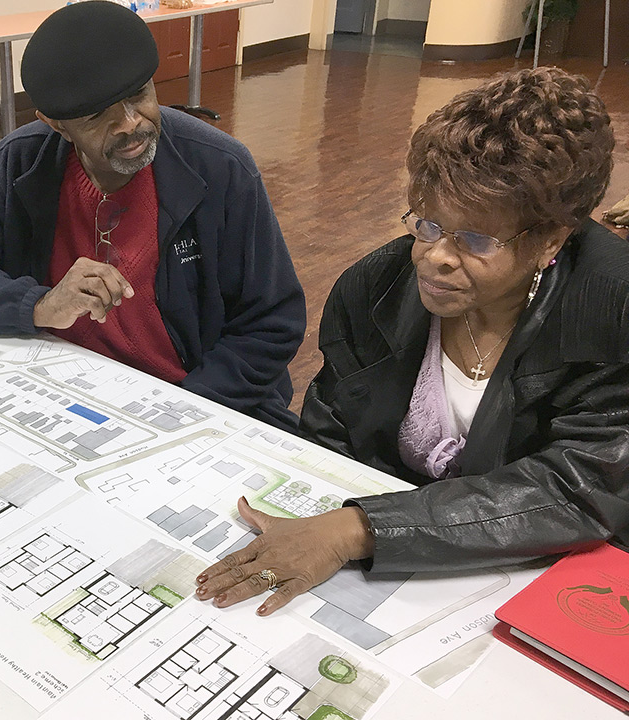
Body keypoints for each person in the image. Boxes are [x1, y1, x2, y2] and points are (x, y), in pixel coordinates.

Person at [195, 67, 629, 615]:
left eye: (474, 239)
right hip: (391, 567)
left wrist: (357, 530)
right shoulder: (374, 289)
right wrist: (323, 523)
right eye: (426, 224)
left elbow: (580, 488)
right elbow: (331, 437)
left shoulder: (612, 309)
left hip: (538, 577)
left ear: (551, 240)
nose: (436, 256)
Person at [0, 1, 305, 430]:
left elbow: (273, 322)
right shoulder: (19, 167)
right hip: (64, 396)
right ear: (56, 124)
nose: (131, 124)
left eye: (139, 96)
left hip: (196, 399)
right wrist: (39, 304)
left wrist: (181, 411)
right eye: (98, 116)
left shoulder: (220, 168)